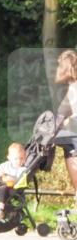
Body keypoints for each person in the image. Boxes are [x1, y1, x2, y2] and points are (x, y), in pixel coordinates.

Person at [53, 49, 77, 202]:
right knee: (67, 145)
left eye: (59, 66)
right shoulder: (72, 87)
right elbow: (62, 112)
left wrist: (70, 120)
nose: (57, 70)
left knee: (70, 145)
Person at [0, 142, 28, 222]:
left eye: (21, 158)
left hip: (12, 188)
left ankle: (0, 208)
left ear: (25, 158)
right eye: (16, 159)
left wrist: (7, 178)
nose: (19, 161)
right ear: (9, 158)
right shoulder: (5, 165)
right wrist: (0, 176)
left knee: (2, 188)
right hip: (0, 182)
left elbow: (16, 180)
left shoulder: (22, 169)